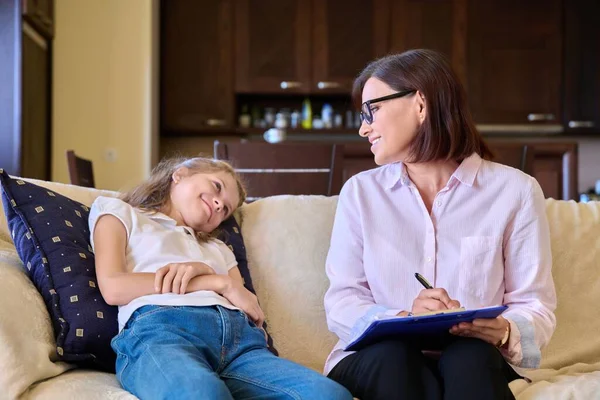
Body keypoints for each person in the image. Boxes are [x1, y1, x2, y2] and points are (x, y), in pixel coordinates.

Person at [323, 49, 557, 400]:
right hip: (381, 356)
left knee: (469, 356)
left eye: (373, 109)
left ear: (420, 104)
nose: (363, 127)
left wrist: (505, 330)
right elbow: (343, 300)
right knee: (395, 356)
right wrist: (402, 317)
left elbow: (535, 303)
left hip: (472, 356)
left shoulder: (515, 191)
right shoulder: (360, 193)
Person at [89, 157, 352, 400]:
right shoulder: (121, 213)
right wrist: (214, 281)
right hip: (162, 331)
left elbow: (247, 304)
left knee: (329, 395)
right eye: (216, 187)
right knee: (202, 394)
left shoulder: (219, 249)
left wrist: (225, 283)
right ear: (180, 174)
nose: (218, 204)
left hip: (241, 343)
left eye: (225, 210)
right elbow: (113, 286)